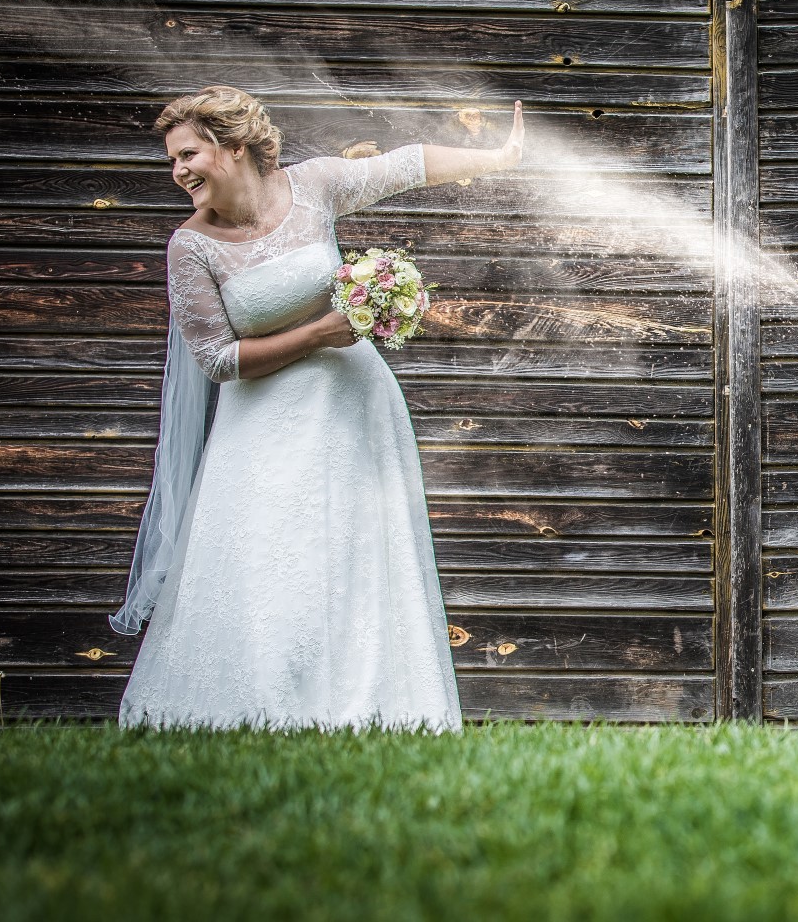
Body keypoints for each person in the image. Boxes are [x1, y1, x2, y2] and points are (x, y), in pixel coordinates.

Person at [111, 85, 523, 730]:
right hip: (261, 426)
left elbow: (403, 165)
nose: (179, 171)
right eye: (173, 161)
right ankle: (259, 708)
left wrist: (496, 158)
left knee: (360, 553)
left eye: (188, 154)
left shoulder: (315, 187)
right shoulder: (191, 246)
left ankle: (369, 711)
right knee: (269, 556)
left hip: (354, 409)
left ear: (235, 146)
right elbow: (216, 358)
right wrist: (318, 334)